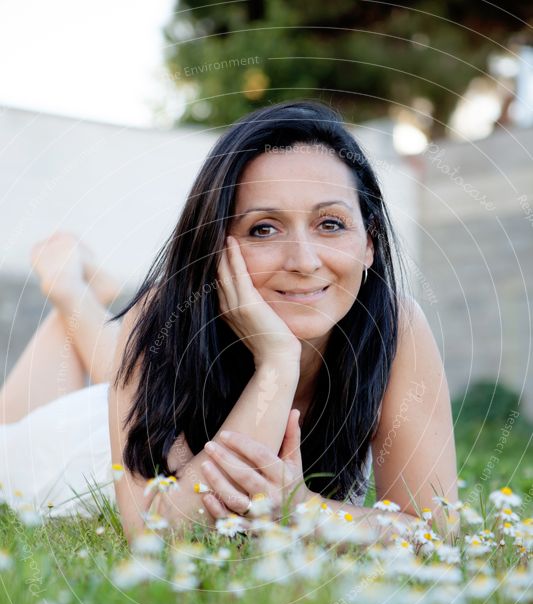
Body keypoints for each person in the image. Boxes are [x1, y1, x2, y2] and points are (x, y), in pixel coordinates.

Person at [0, 100, 458, 542]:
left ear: (369, 242)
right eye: (263, 228)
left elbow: (434, 530)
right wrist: (277, 364)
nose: (303, 260)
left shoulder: (396, 327)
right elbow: (157, 534)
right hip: (83, 443)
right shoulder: (163, 317)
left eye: (331, 224)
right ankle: (69, 293)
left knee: (120, 367)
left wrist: (305, 510)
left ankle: (74, 297)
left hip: (132, 398)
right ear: (216, 244)